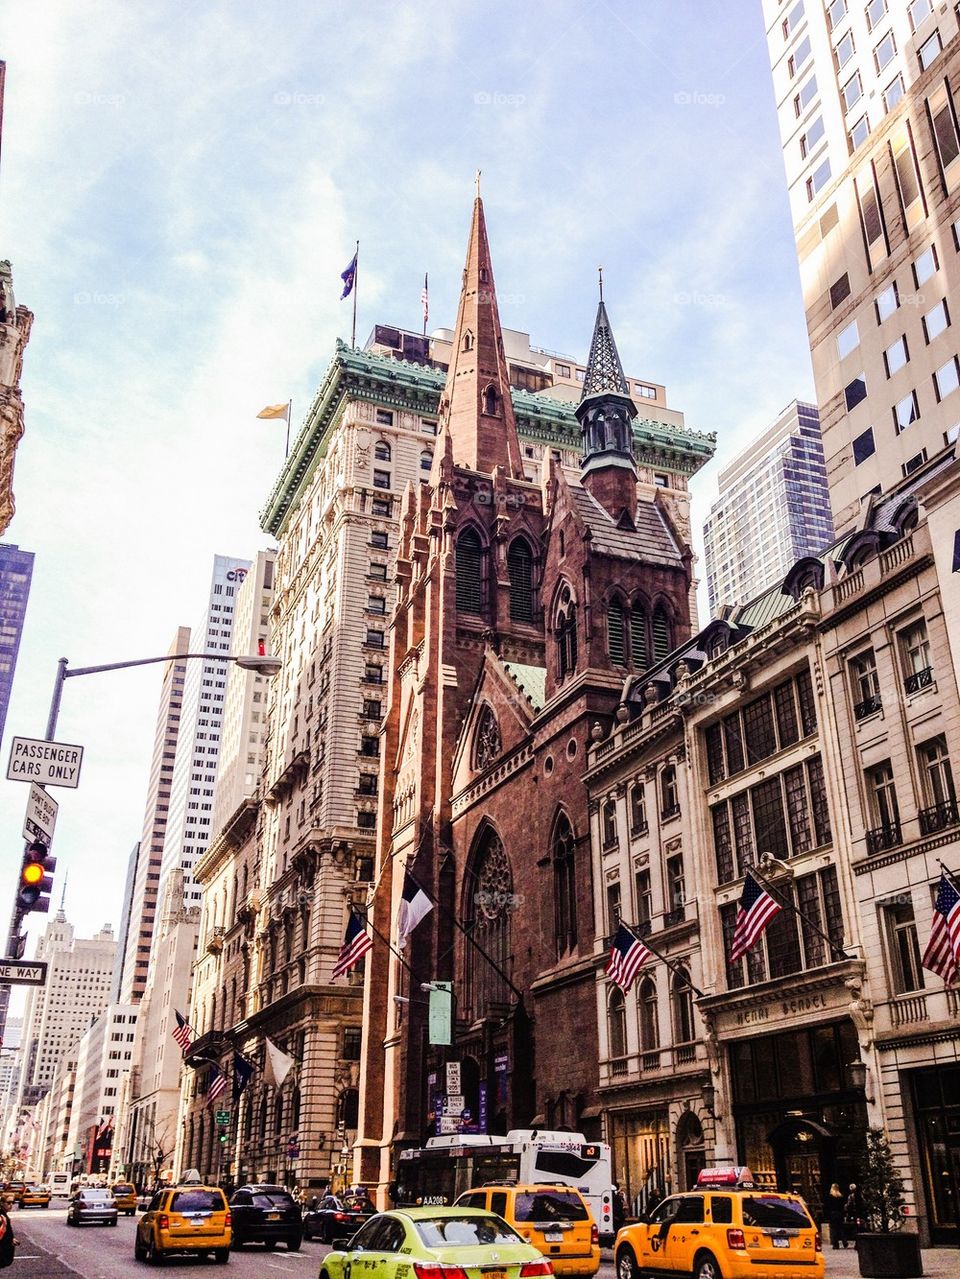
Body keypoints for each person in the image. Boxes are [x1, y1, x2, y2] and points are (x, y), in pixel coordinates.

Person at [826, 1183, 846, 1249]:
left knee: (834, 1229)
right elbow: (842, 1206)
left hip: (833, 1214)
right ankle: (844, 1241)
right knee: (840, 1228)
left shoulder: (830, 1196)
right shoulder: (840, 1196)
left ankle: (836, 1244)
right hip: (839, 1214)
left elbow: (828, 1207)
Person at [0, 1194, 17, 1270]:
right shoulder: (1, 1217)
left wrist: (11, 1239)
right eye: (8, 1202)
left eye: (12, 1202)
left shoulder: (4, 1215)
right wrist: (10, 1240)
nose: (11, 1205)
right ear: (1, 1203)